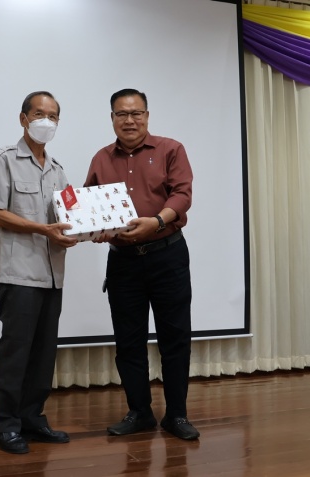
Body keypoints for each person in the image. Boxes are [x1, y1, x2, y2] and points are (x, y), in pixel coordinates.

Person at [84, 88, 198, 441]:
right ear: (112, 119)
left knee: (175, 339)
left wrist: (158, 221)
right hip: (123, 263)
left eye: (136, 113)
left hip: (167, 255)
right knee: (128, 341)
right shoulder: (101, 158)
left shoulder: (171, 149)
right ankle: (140, 412)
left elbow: (182, 194)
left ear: (147, 116)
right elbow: (90, 206)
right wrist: (95, 229)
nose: (129, 120)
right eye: (122, 114)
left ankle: (176, 415)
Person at [0, 91, 77, 454]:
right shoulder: (4, 159)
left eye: (53, 116)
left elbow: (68, 218)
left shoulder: (58, 170)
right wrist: (44, 230)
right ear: (23, 118)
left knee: (43, 353)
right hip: (19, 272)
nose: (46, 122)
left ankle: (32, 418)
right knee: (16, 352)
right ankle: (4, 425)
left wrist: (80, 231)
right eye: (39, 114)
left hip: (52, 273)